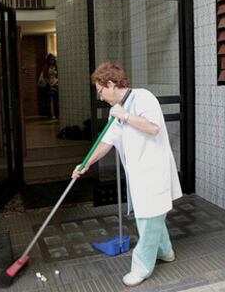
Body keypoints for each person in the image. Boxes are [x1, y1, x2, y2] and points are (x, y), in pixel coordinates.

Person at [72, 62, 182, 287]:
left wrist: (125, 115)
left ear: (111, 84)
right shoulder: (118, 109)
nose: (101, 97)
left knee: (148, 220)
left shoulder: (143, 98)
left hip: (153, 172)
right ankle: (166, 251)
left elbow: (153, 128)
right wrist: (86, 164)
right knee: (152, 216)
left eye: (100, 91)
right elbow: (106, 142)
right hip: (139, 175)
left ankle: (141, 268)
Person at [38, 53, 59, 118]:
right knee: (49, 100)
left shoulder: (56, 66)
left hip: (56, 84)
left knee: (56, 100)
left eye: (53, 59)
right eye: (50, 59)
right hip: (48, 85)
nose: (52, 61)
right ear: (48, 60)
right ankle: (50, 114)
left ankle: (56, 114)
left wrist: (55, 82)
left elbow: (58, 75)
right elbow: (45, 76)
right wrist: (50, 84)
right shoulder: (46, 67)